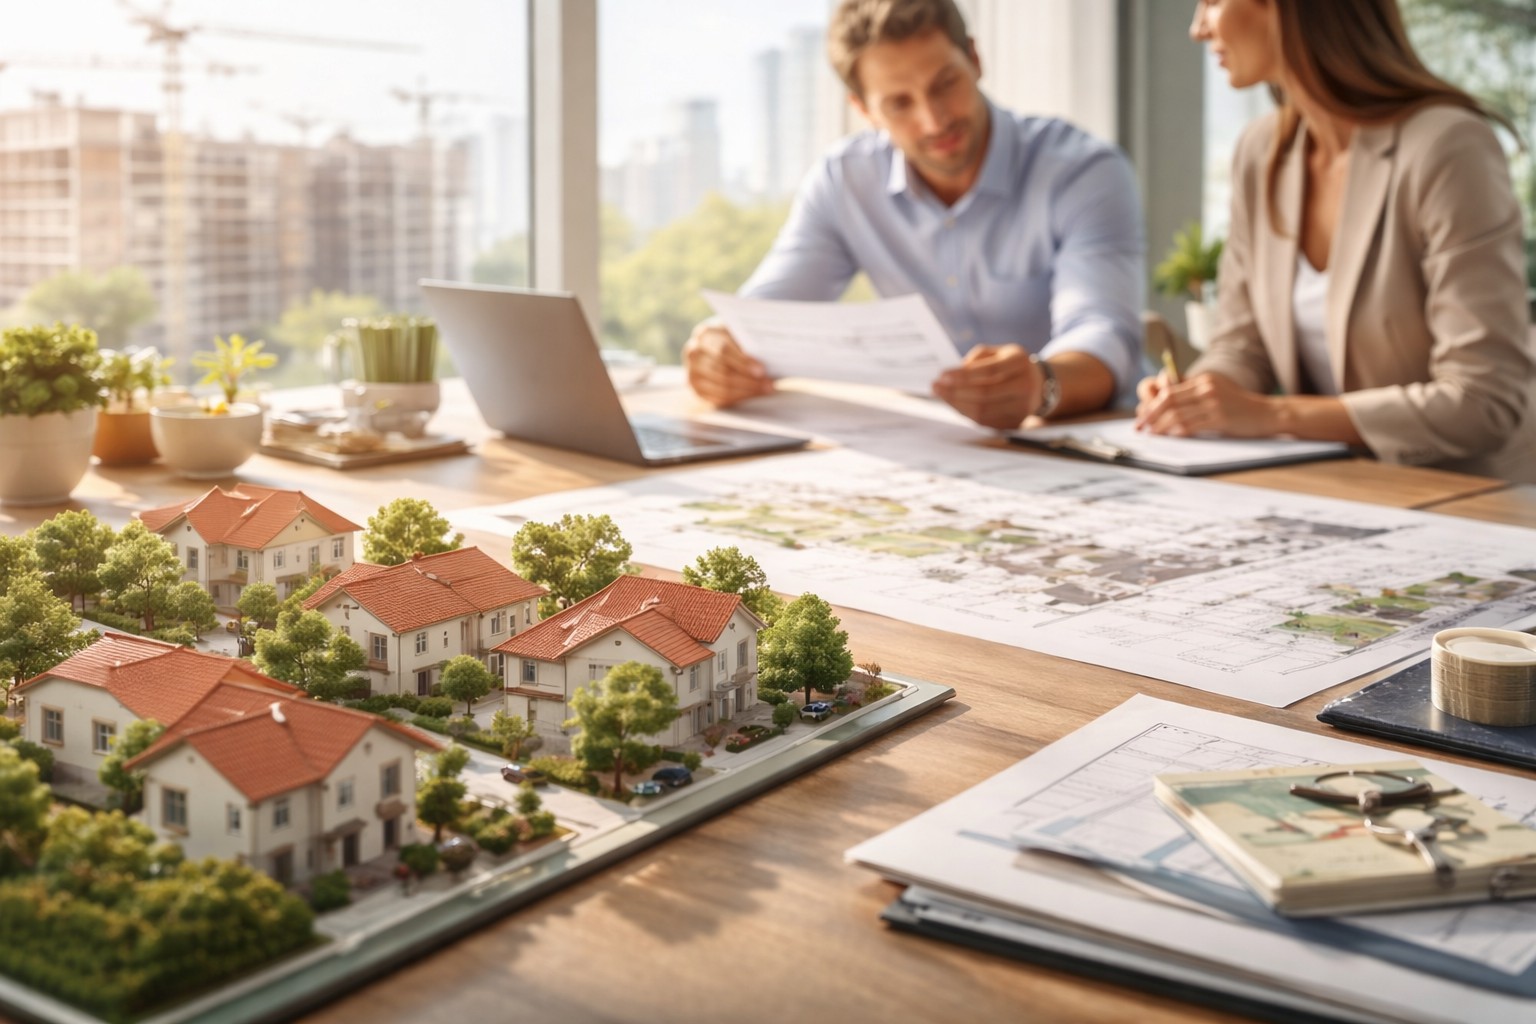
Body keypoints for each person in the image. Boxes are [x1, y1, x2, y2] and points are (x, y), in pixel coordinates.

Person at [683, 0, 1145, 430]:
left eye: (945, 83)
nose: (934, 120)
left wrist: (1039, 385)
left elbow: (1105, 335)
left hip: (1073, 437)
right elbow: (765, 316)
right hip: (934, 442)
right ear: (864, 109)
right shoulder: (846, 180)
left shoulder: (1082, 171)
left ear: (975, 58)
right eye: (899, 103)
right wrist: (719, 348)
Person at [1137, 0, 1536, 482]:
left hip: (1463, 497)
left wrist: (1272, 415)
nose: (1198, 28)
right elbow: (1243, 346)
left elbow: (1482, 399)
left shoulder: (1446, 145)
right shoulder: (1260, 152)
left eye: (1213, 1)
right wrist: (1201, 396)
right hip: (1331, 488)